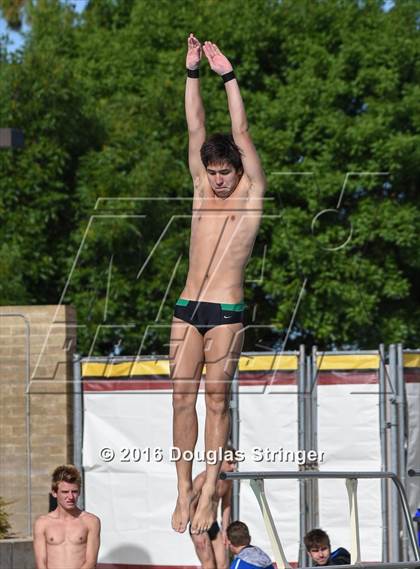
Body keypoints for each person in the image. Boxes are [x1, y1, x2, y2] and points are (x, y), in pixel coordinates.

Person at [171, 34, 265, 536]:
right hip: (187, 307)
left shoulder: (251, 193)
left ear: (238, 172)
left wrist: (227, 75)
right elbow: (196, 126)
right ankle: (184, 487)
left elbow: (240, 130)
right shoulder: (201, 189)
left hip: (226, 312)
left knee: (216, 401)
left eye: (225, 172)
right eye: (212, 172)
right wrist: (191, 71)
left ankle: (210, 491)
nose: (218, 180)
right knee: (180, 398)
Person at [33, 465, 100, 569]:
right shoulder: (42, 523)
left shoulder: (91, 522)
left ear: (79, 492)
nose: (70, 497)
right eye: (65, 492)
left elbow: (91, 562)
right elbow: (41, 563)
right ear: (54, 493)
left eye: (74, 491)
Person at [190, 452, 237, 569]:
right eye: (230, 463)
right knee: (209, 564)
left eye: (234, 463)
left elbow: (226, 505)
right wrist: (196, 530)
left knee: (223, 564)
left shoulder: (228, 480)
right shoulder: (203, 479)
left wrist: (225, 530)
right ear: (220, 462)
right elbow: (190, 504)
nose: (233, 467)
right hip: (199, 525)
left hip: (213, 525)